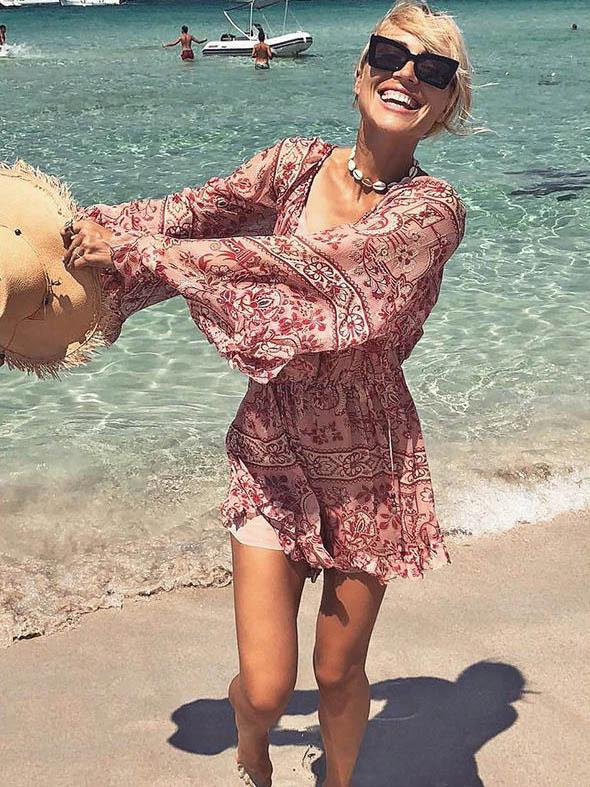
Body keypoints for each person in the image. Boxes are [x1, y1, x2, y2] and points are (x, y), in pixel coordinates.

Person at [62, 2, 472, 784]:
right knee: (265, 686)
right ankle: (253, 746)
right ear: (361, 69)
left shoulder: (433, 213)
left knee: (339, 671)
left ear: (448, 103)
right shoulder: (293, 166)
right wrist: (81, 234)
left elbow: (320, 274)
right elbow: (189, 214)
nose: (406, 76)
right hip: (271, 445)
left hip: (369, 460)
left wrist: (144, 252)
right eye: (390, 54)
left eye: (434, 69)